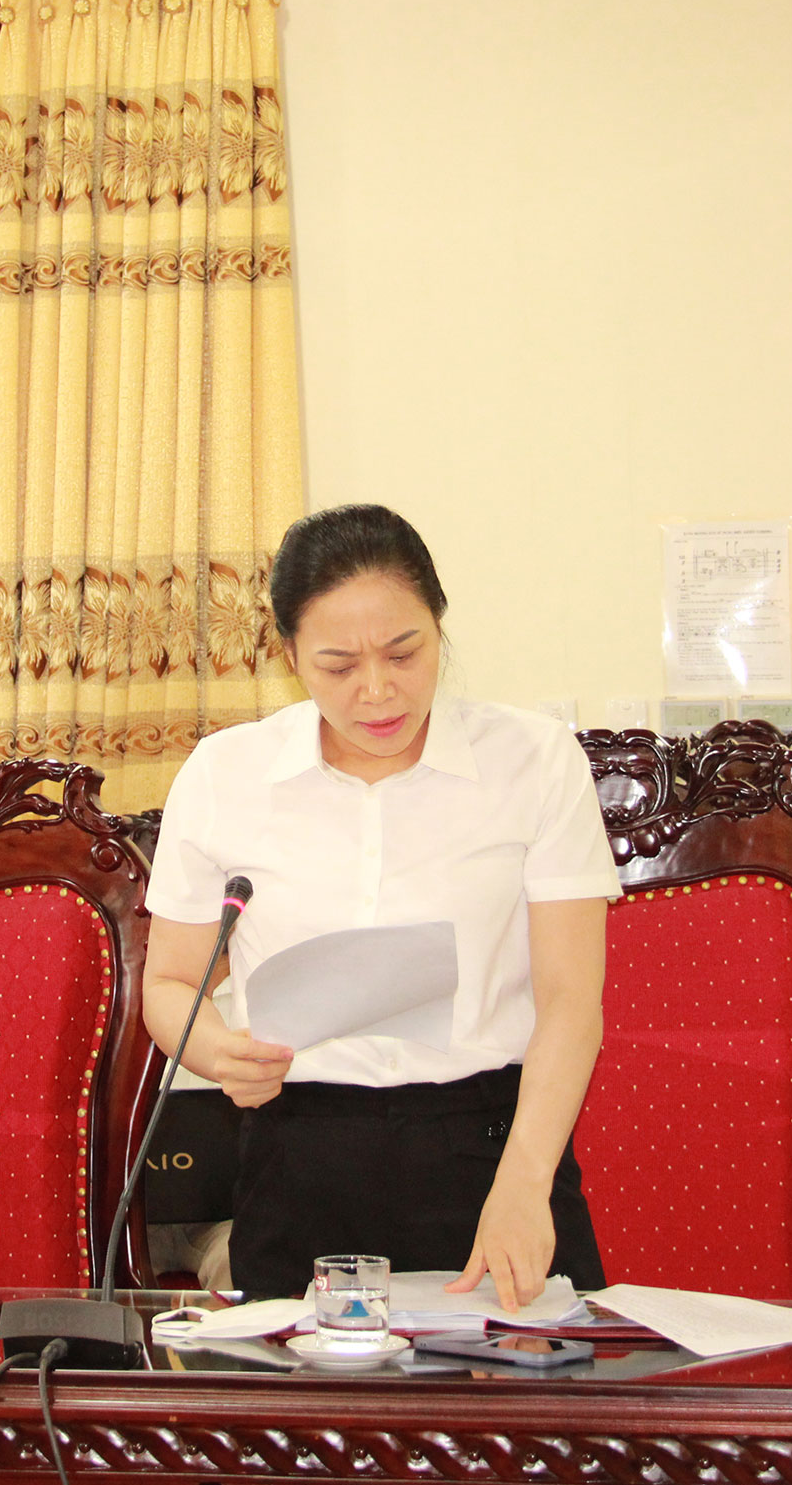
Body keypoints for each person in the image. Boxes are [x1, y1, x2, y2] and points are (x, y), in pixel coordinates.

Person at [143, 503, 621, 1309]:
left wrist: (525, 1179)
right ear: (290, 656)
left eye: (405, 652)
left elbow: (572, 999)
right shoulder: (226, 775)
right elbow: (170, 984)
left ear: (439, 625)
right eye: (337, 665)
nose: (377, 690)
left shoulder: (534, 762)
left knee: (526, 1383)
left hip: (492, 1146)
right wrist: (220, 1053)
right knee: (299, 1389)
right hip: (298, 1154)